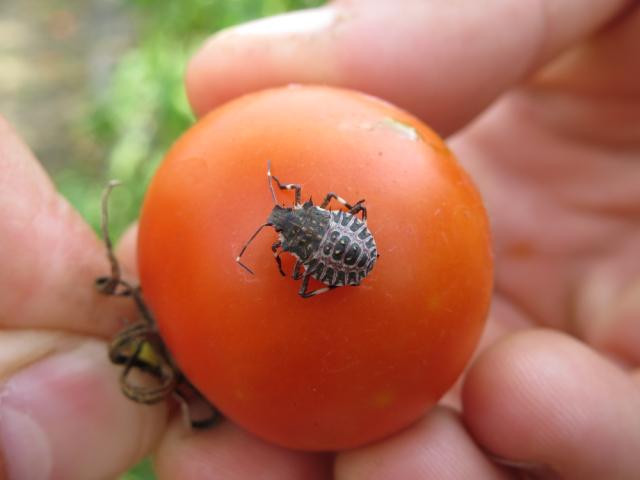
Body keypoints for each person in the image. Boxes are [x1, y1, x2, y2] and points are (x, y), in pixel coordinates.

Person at [1, 0, 639, 478]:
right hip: (345, 256)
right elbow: (317, 244)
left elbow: (316, 251)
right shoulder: (297, 230)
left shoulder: (294, 230)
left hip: (347, 259)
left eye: (279, 210)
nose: (277, 218)